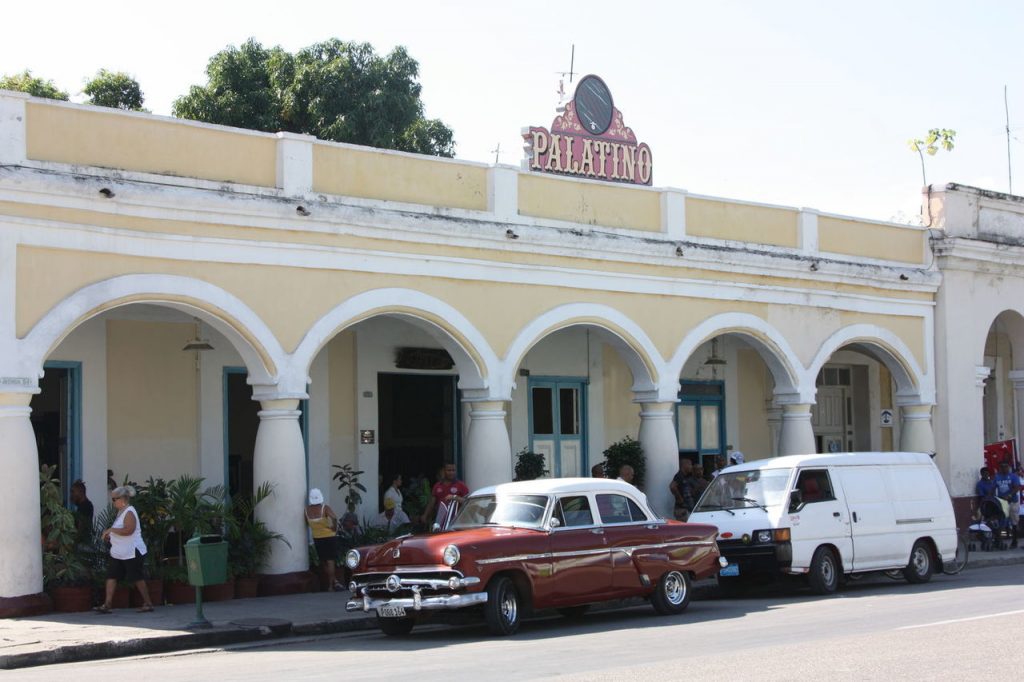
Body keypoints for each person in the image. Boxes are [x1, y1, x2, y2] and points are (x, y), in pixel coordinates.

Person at [95, 486, 153, 613]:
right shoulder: (121, 512)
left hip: (132, 551)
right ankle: (107, 604)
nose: (113, 501)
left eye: (114, 499)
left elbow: (129, 530)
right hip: (118, 552)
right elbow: (121, 531)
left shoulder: (129, 512)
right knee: (111, 575)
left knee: (137, 577)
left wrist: (111, 530)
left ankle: (148, 603)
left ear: (122, 499)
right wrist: (111, 536)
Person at [305, 488, 339, 591]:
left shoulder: (306, 510)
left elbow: (307, 523)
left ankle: (335, 581)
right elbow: (335, 518)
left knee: (323, 561)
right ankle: (331, 585)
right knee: (330, 561)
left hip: (317, 538)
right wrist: (334, 528)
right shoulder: (325, 508)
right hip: (329, 536)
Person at [421, 463, 469, 529]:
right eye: (449, 470)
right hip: (441, 520)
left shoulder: (461, 485)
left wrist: (455, 497)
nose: (451, 473)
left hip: (456, 521)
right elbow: (431, 503)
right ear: (444, 471)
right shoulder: (437, 486)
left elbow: (468, 502)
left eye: (453, 470)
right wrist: (425, 515)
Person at [993, 460, 1021, 548]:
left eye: (1006, 466)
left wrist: (1009, 495)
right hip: (1002, 502)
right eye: (1002, 466)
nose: (1004, 468)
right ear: (999, 468)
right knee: (1001, 520)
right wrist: (990, 497)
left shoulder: (1013, 476)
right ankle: (998, 540)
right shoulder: (997, 477)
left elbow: (1017, 487)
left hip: (1013, 501)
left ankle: (1014, 540)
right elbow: (993, 488)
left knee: (1014, 521)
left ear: (1008, 467)